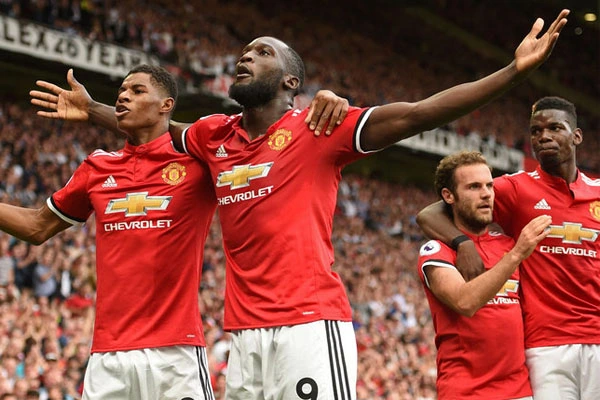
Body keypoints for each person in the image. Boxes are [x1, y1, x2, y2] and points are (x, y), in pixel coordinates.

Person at [30, 10, 569, 399]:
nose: (245, 57)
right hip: (242, 335)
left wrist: (511, 73)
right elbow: (155, 127)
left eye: (262, 52)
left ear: (291, 81)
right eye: (244, 52)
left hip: (309, 326)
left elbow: (418, 113)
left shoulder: (319, 128)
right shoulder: (213, 136)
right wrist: (94, 110)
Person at [4, 64, 219, 400]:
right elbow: (37, 226)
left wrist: (92, 109)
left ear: (167, 105)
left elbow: (240, 139)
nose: (123, 96)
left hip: (176, 353)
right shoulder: (98, 166)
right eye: (121, 90)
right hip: (108, 356)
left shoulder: (199, 165)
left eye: (137, 91)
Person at [417, 96, 600, 400]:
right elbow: (430, 213)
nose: (543, 136)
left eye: (555, 128)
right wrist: (463, 243)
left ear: (577, 136)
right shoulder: (516, 188)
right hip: (545, 344)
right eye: (536, 131)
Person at [417, 150, 550, 399]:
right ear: (448, 195)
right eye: (474, 187)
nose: (487, 193)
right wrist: (516, 255)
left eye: (489, 185)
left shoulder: (508, 243)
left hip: (520, 389)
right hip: (467, 391)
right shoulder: (436, 251)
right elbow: (464, 302)